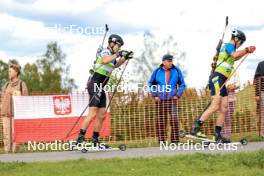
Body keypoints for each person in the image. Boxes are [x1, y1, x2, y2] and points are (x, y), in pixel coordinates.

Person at [191, 29, 256, 142]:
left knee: (224, 108)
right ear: (236, 39)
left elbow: (235, 57)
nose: (241, 45)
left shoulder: (231, 48)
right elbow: (235, 54)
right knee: (215, 106)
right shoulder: (229, 45)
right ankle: (196, 128)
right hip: (217, 77)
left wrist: (246, 51)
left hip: (223, 80)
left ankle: (217, 134)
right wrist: (246, 49)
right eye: (241, 42)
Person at [76, 34, 133, 146]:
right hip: (94, 84)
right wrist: (118, 54)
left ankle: (95, 139)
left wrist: (125, 57)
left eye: (120, 47)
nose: (119, 48)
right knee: (92, 114)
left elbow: (115, 65)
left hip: (101, 87)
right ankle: (80, 137)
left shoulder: (112, 55)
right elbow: (104, 60)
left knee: (102, 115)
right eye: (118, 46)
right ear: (112, 43)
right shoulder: (105, 52)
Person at [149, 54, 185, 144]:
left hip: (172, 99)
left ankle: (174, 141)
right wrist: (155, 95)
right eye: (169, 61)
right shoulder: (157, 71)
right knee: (160, 120)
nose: (170, 63)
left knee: (174, 119)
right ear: (163, 62)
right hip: (160, 100)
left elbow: (182, 84)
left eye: (171, 61)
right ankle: (162, 141)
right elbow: (151, 83)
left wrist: (178, 94)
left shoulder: (176, 70)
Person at [0, 63, 28, 153]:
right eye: (8, 71)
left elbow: (25, 98)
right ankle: (8, 153)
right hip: (5, 113)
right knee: (6, 134)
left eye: (10, 71)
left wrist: (16, 93)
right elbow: (2, 97)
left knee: (16, 134)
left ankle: (16, 153)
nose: (8, 73)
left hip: (17, 114)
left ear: (16, 73)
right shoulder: (6, 85)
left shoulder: (22, 84)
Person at [222, 70, 240, 143]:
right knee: (222, 117)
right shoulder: (218, 70)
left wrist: (234, 86)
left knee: (228, 118)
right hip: (221, 98)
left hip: (231, 99)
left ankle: (227, 137)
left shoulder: (234, 71)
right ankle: (220, 136)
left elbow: (238, 83)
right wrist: (226, 87)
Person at [254, 60, 264, 137]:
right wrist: (257, 94)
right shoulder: (261, 64)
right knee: (262, 113)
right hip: (262, 92)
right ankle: (262, 133)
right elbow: (256, 80)